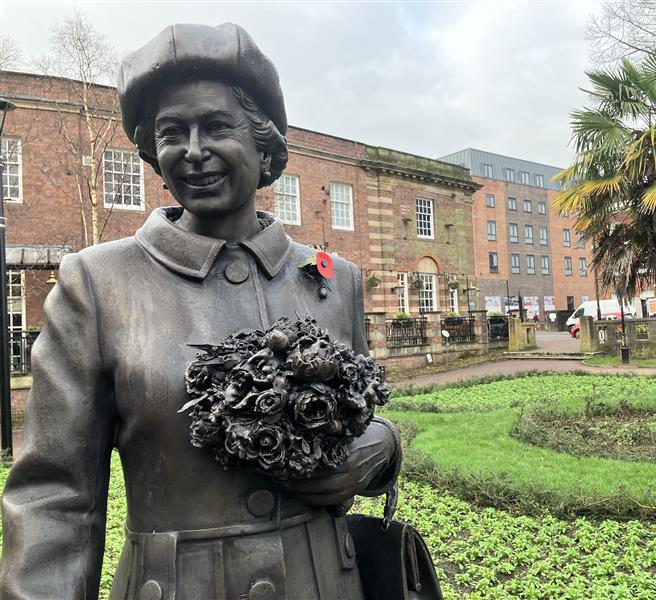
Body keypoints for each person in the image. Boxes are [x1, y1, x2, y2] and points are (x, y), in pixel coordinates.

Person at [0, 23, 400, 600]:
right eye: (171, 132)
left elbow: (369, 413)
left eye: (215, 126)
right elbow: (54, 498)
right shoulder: (97, 283)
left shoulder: (336, 282)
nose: (191, 151)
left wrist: (381, 448)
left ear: (263, 143)